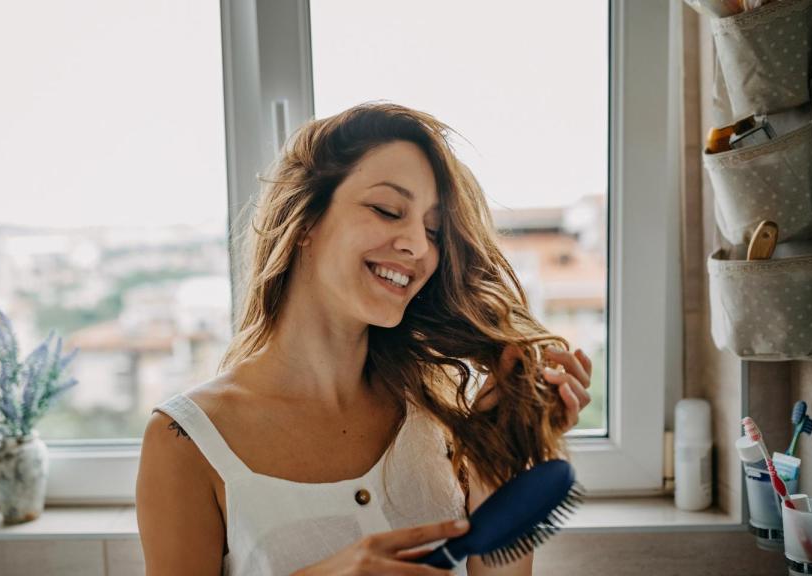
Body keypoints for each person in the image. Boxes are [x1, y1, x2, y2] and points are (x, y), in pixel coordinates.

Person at [136, 102, 593, 575]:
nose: (417, 245)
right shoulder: (188, 441)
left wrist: (500, 460)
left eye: (433, 230)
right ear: (305, 219)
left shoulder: (439, 418)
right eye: (387, 210)